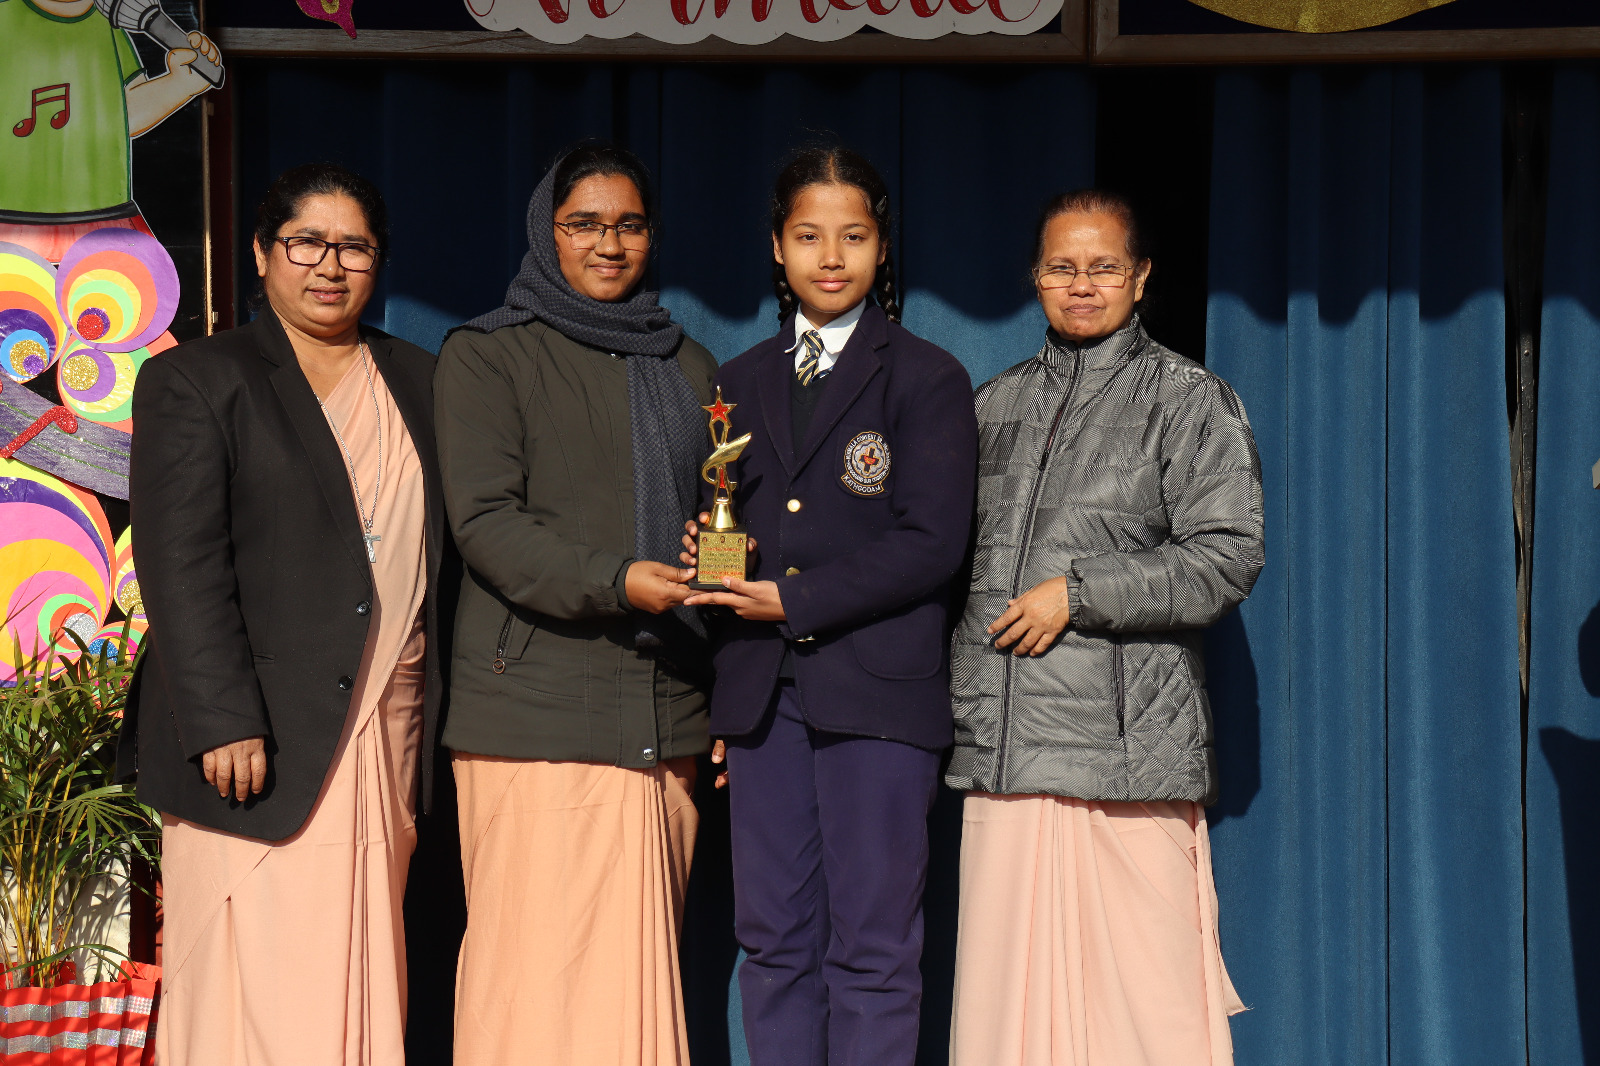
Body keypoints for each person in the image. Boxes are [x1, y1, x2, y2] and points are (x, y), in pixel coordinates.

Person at [119, 163, 447, 1065]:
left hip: (383, 722)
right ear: (263, 254)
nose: (330, 266)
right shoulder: (198, 379)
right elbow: (179, 563)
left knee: (363, 962)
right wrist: (223, 718)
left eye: (354, 247)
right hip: (250, 741)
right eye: (307, 243)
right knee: (251, 979)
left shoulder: (421, 382)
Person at [945, 189, 1264, 1066]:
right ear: (1034, 276)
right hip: (1006, 756)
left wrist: (1078, 592)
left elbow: (1228, 556)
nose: (1082, 284)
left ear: (1141, 276)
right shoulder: (991, 406)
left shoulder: (1190, 399)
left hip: (1127, 757)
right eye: (1062, 267)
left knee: (1146, 1016)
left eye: (1104, 267)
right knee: (1008, 1016)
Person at [682, 146, 979, 1066]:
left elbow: (933, 543)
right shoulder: (737, 378)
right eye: (809, 236)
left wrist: (792, 598)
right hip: (763, 700)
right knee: (771, 940)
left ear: (882, 247)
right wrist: (718, 561)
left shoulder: (926, 377)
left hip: (879, 695)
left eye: (853, 236)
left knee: (874, 947)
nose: (831, 256)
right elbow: (739, 520)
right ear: (777, 246)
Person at [434, 143, 716, 1066]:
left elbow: (717, 523)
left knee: (632, 983)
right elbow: (486, 524)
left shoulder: (688, 367)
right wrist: (619, 578)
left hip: (665, 715)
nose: (609, 243)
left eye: (629, 225)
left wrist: (720, 585)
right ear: (545, 232)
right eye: (584, 223)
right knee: (533, 980)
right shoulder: (488, 353)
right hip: (534, 711)